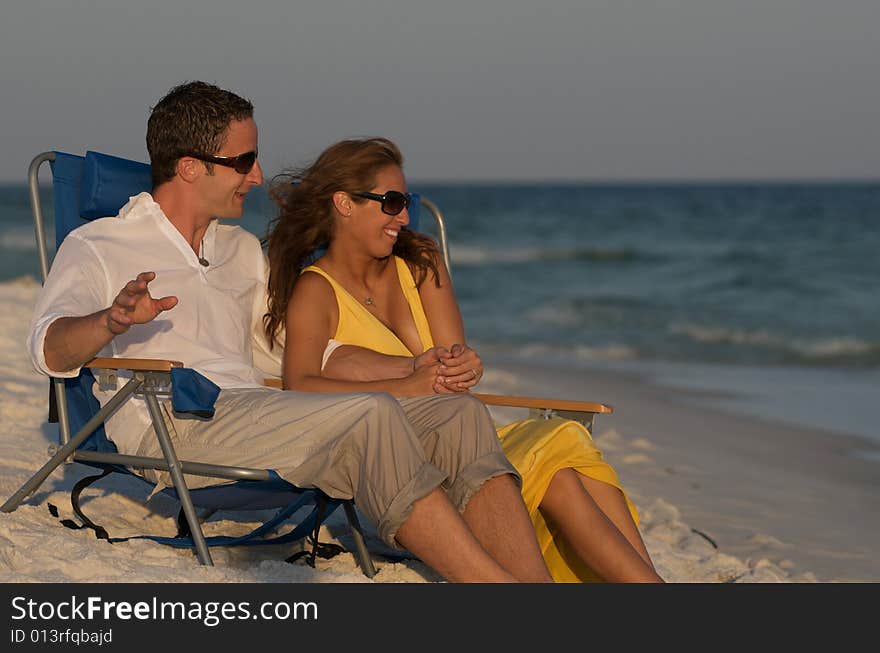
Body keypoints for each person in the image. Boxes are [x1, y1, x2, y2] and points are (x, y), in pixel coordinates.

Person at [26, 82, 554, 583]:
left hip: (257, 415)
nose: (256, 177)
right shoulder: (101, 244)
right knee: (370, 415)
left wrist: (412, 368)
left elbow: (303, 352)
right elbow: (48, 347)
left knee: (459, 414)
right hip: (178, 423)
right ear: (189, 167)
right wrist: (110, 321)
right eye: (242, 162)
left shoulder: (237, 251)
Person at [264, 137, 663, 583]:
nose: (402, 218)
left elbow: (456, 362)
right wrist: (407, 386)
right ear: (344, 204)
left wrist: (468, 365)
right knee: (558, 471)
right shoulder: (316, 290)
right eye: (392, 203)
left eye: (408, 204)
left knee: (562, 444)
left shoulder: (420, 261)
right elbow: (299, 385)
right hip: (406, 461)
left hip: (466, 437)